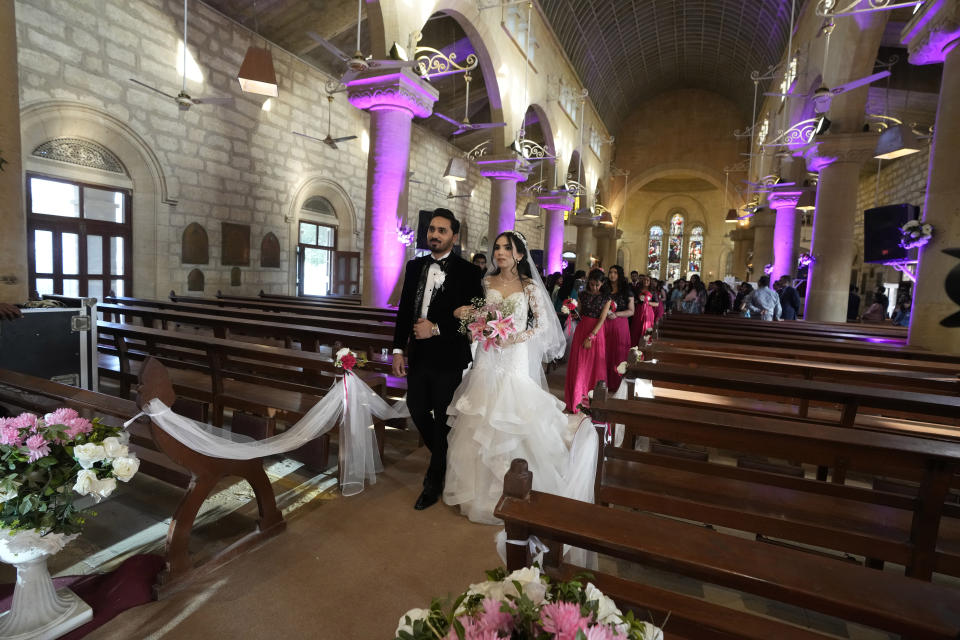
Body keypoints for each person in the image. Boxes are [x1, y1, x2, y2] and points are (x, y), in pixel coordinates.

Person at [443, 231, 596, 524]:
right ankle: (480, 494)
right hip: (487, 354)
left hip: (513, 356)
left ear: (520, 255)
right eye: (497, 247)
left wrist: (515, 338)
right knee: (481, 415)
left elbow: (542, 326)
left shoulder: (529, 287)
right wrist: (477, 323)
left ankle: (516, 488)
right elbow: (483, 314)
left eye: (507, 248)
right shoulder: (486, 282)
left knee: (511, 415)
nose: (500, 252)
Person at [392, 209, 484, 511]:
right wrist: (397, 350)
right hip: (417, 353)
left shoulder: (471, 273)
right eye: (432, 229)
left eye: (442, 230)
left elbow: (473, 319)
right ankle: (446, 458)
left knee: (444, 417)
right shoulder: (414, 265)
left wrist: (438, 328)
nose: (435, 234)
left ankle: (433, 481)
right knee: (417, 409)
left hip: (449, 356)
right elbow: (405, 310)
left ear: (454, 237)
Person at [565, 270, 612, 412]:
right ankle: (576, 399)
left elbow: (602, 319)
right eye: (592, 284)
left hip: (596, 332)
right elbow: (579, 313)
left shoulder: (606, 298)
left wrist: (591, 336)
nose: (594, 287)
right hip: (581, 328)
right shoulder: (582, 295)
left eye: (597, 285)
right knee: (579, 364)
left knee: (594, 365)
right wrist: (571, 308)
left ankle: (592, 399)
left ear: (602, 283)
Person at [604, 265, 634, 393]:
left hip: (620, 324)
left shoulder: (627, 290)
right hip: (605, 323)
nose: (612, 275)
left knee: (618, 353)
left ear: (619, 274)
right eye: (610, 272)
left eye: (615, 272)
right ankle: (602, 382)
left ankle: (616, 383)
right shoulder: (604, 289)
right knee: (604, 352)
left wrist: (617, 314)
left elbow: (632, 311)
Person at [630, 275, 656, 346]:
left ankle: (646, 344)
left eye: (648, 280)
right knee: (637, 327)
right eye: (644, 280)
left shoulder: (652, 291)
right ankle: (635, 345)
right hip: (639, 310)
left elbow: (657, 304)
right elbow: (634, 300)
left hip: (648, 312)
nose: (646, 281)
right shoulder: (638, 290)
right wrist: (638, 301)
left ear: (650, 282)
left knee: (647, 328)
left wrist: (647, 302)